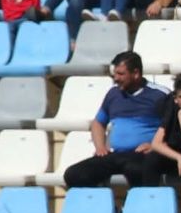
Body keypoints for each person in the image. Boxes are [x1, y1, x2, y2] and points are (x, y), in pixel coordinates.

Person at [63, 51, 169, 188]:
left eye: (120, 74)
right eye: (115, 74)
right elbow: (98, 123)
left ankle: (138, 206)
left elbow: (174, 127)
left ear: (136, 73)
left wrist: (154, 146)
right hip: (117, 154)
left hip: (143, 155)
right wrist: (100, 147)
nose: (116, 78)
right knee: (74, 174)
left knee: (135, 169)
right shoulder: (113, 94)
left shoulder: (159, 95)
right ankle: (106, 208)